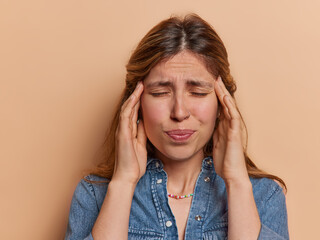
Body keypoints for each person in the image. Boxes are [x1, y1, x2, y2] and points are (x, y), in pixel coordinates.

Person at [65, 13, 289, 240]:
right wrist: (123, 183)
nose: (179, 112)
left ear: (222, 104)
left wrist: (236, 183)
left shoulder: (264, 196)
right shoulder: (94, 195)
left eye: (198, 92)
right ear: (135, 103)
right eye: (160, 93)